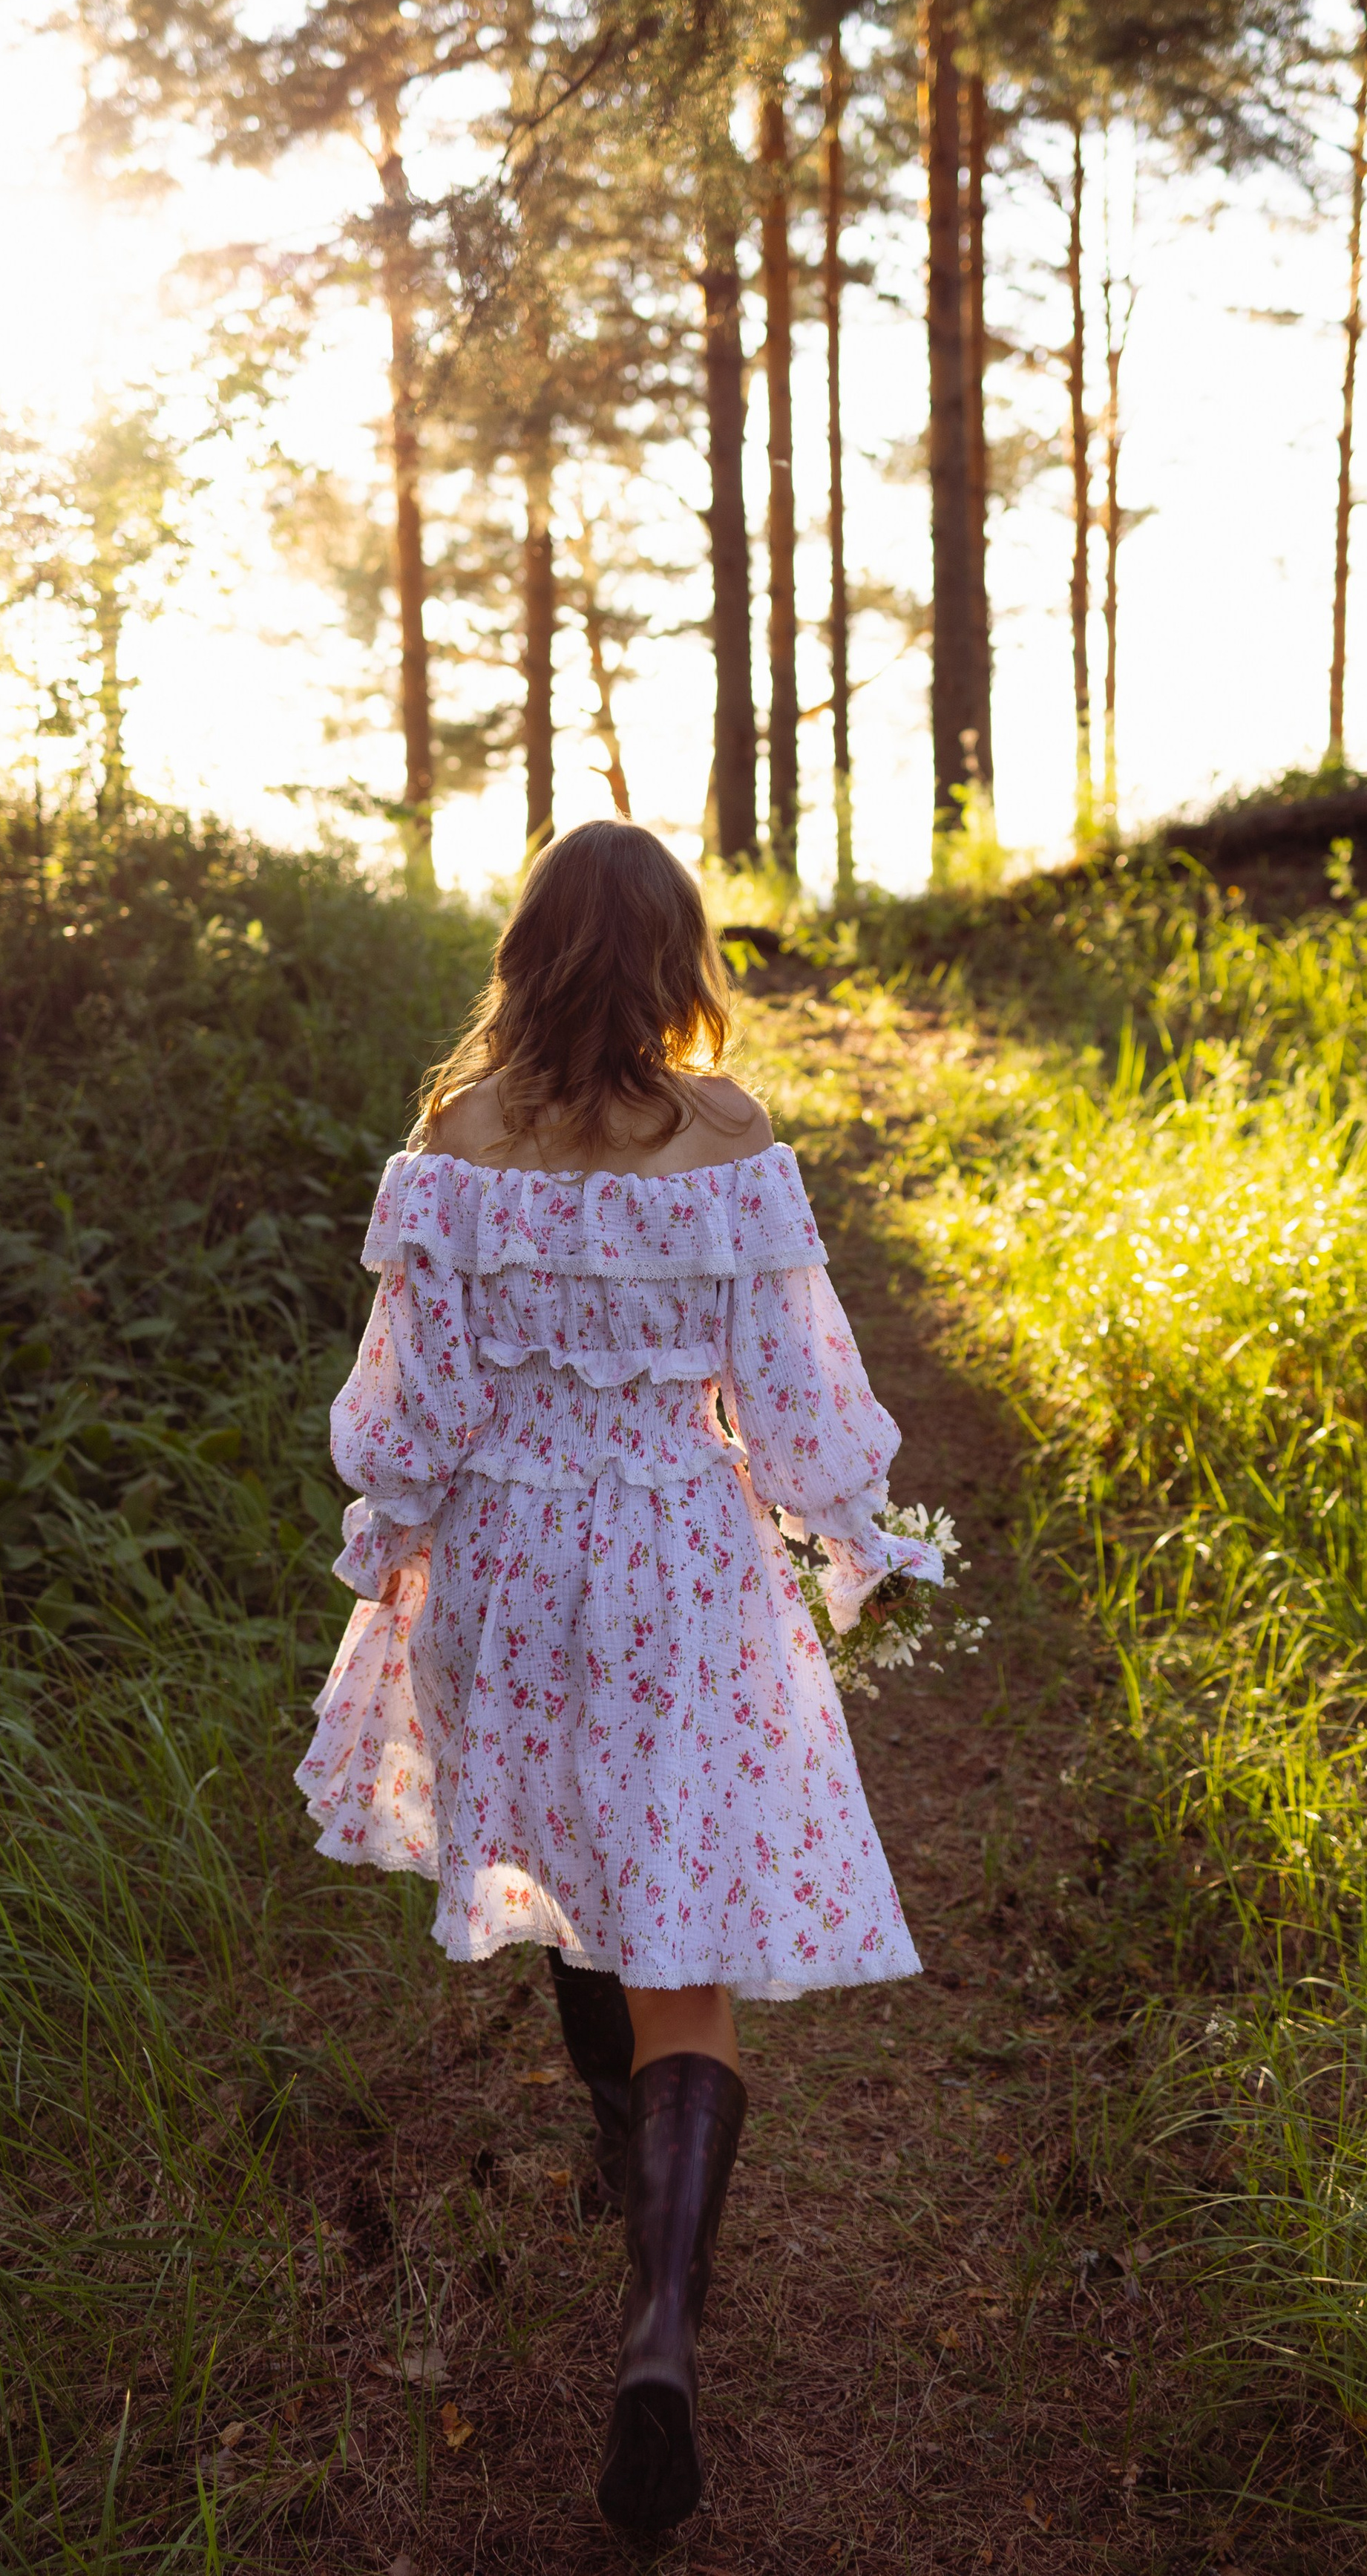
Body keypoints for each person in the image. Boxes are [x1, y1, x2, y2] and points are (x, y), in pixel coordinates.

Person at [295, 819, 941, 2534]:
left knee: (572, 1869)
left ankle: (616, 2165)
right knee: (679, 1941)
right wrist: (854, 1532)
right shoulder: (727, 1139)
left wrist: (399, 1528)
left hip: (509, 1570)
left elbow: (401, 1420)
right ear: (675, 961)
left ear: (525, 953)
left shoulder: (453, 1144)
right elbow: (798, 1408)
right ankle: (658, 2331)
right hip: (677, 1562)